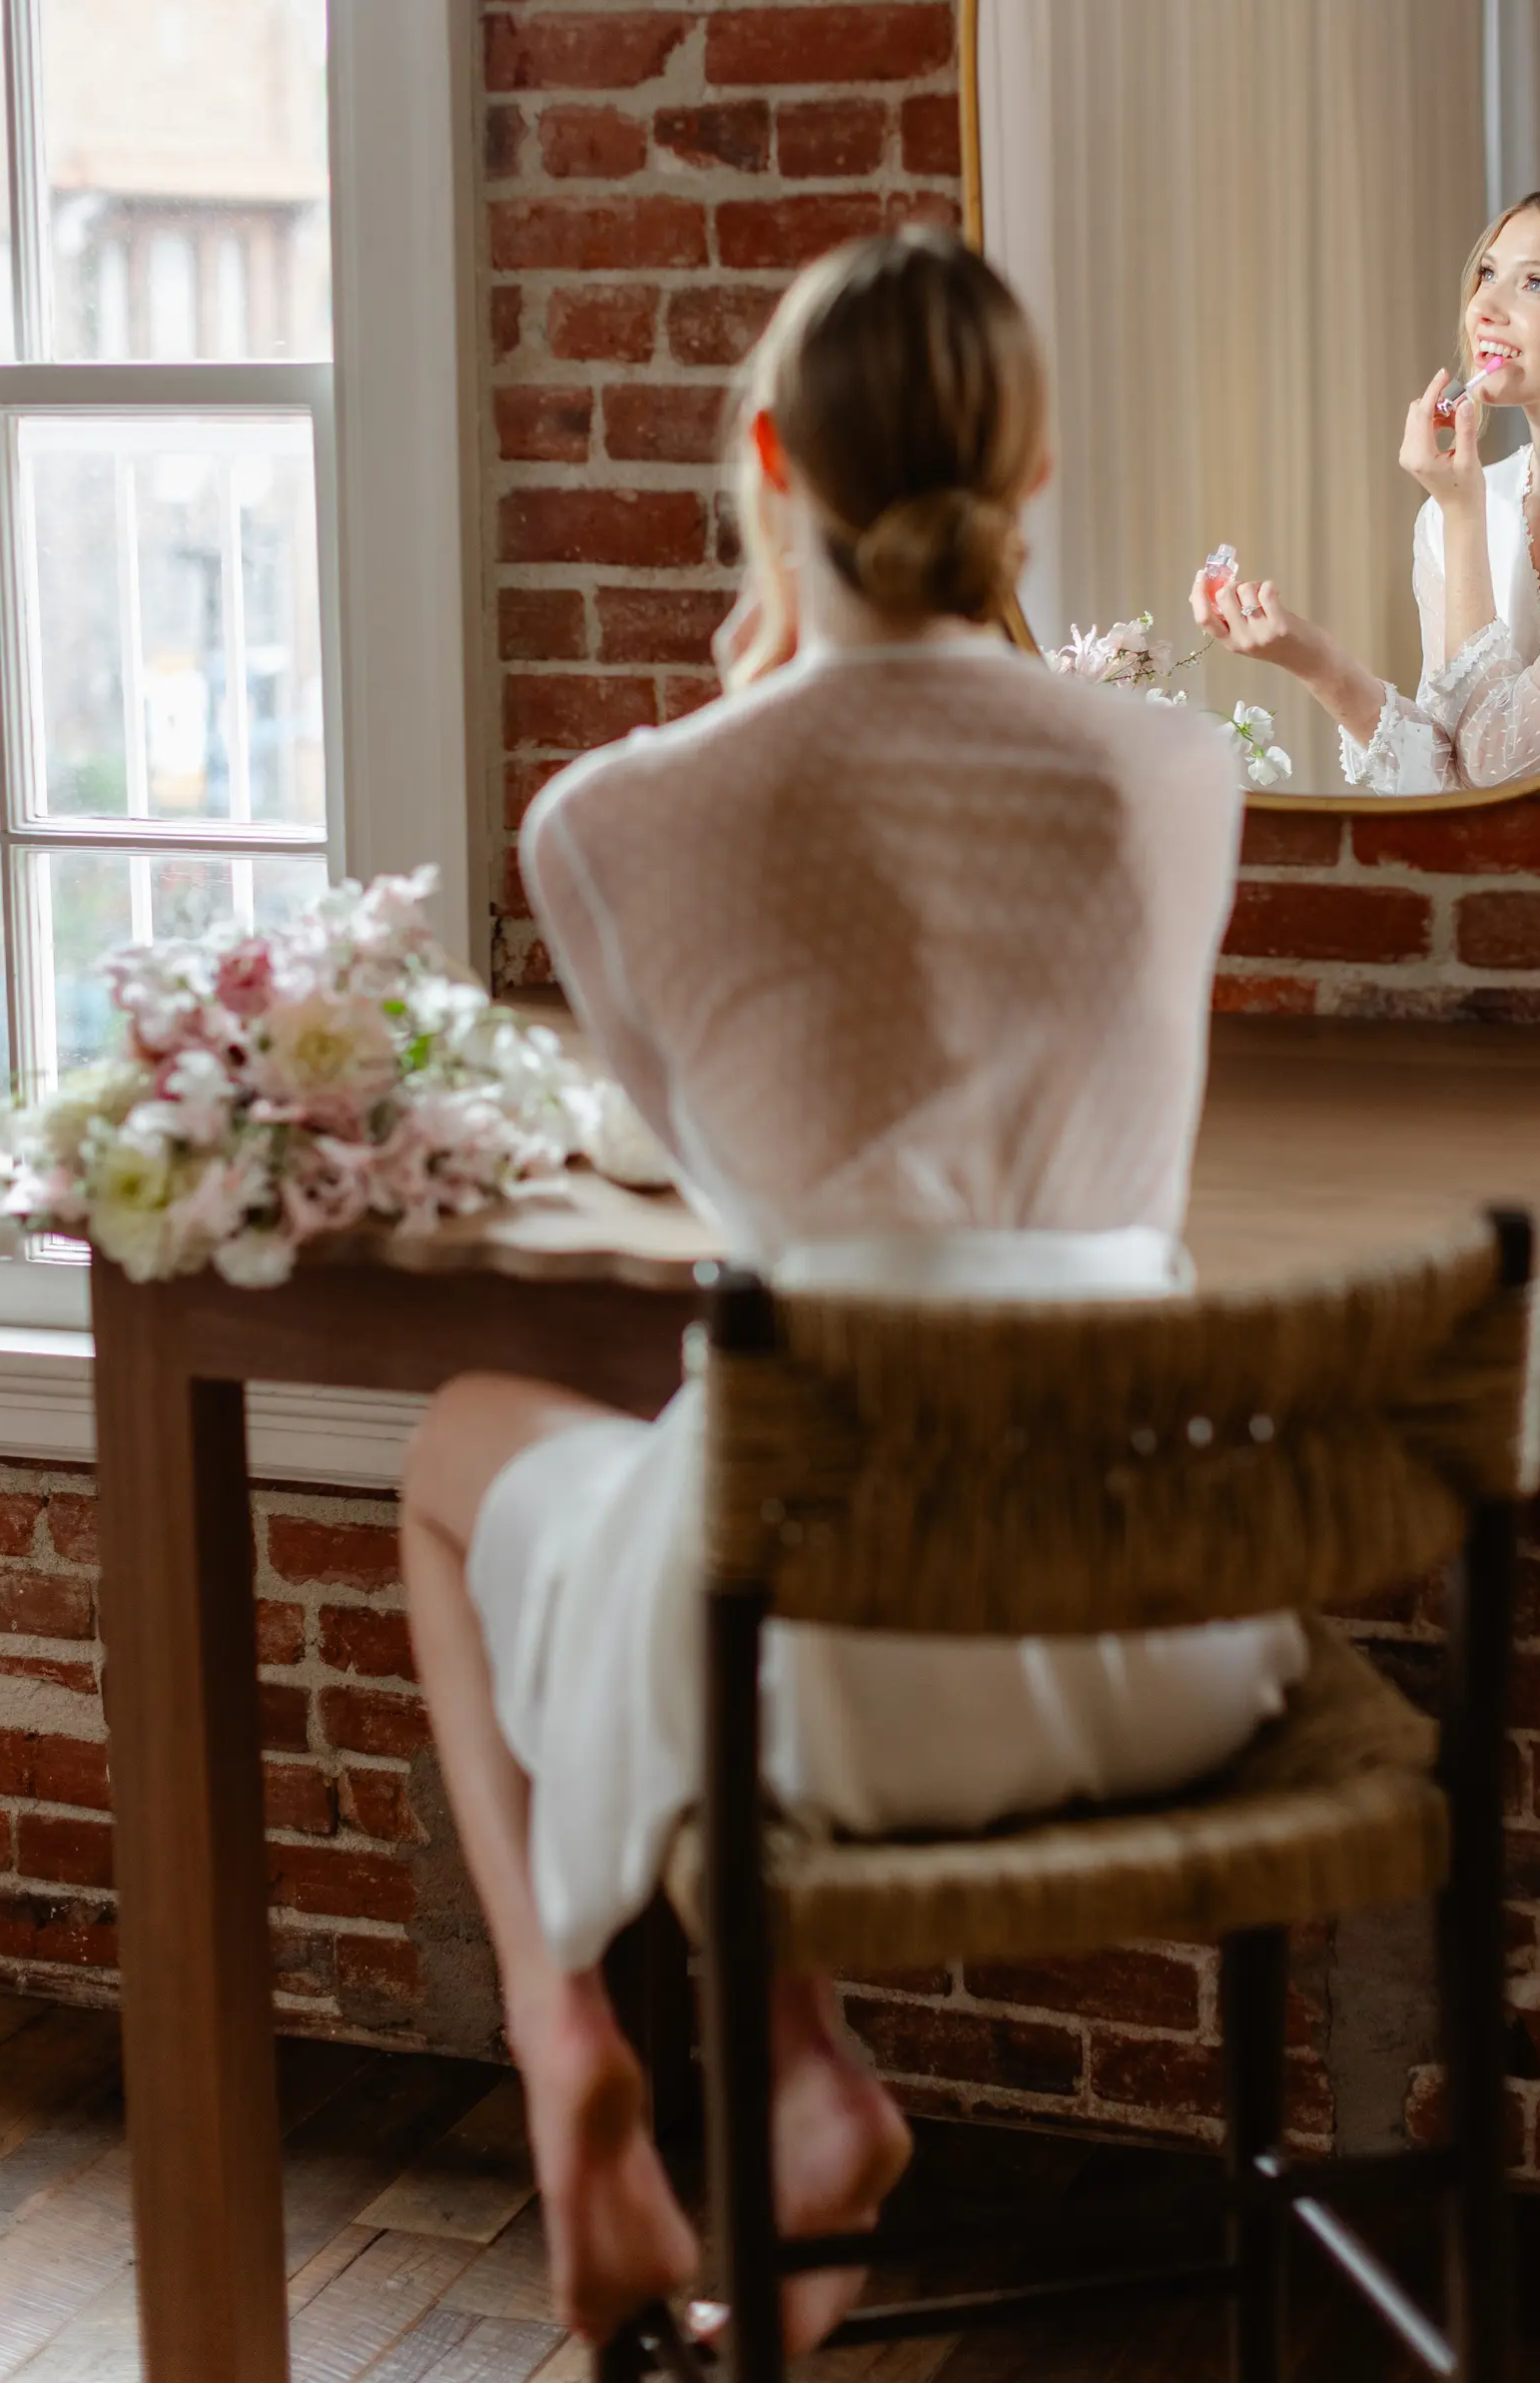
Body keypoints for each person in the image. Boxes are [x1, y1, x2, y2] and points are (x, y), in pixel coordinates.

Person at [399, 229, 1309, 2350]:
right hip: (1155, 1634)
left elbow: (714, 1150)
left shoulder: (609, 821)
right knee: (753, 1521)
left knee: (472, 1458)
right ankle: (801, 2081)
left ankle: (568, 2053)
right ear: (1040, 467)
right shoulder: (1175, 775)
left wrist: (762, 681)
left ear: (766, 453)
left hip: (808, 1665)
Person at [1191, 183, 1540, 793]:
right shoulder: (1457, 508)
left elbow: (1498, 766)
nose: (1485, 307)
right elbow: (1444, 777)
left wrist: (1463, 517)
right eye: (1488, 273)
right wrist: (1310, 657)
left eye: (1535, 282)